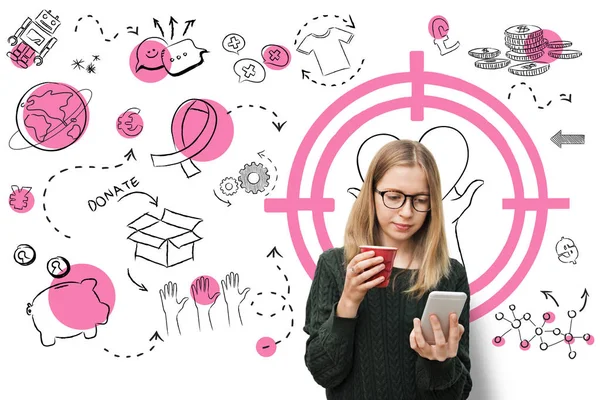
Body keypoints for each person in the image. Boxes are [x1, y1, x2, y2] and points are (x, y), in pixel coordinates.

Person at [303, 139, 472, 399]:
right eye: (393, 197)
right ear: (371, 193)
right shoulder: (334, 266)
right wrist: (348, 303)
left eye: (420, 200)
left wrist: (439, 362)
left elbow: (458, 394)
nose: (406, 212)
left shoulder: (449, 274)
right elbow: (324, 372)